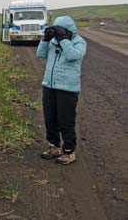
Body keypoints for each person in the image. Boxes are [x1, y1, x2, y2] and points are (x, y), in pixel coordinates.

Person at [36, 16, 87, 165]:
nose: (57, 33)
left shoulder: (79, 42)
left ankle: (69, 151)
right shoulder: (53, 41)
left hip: (67, 88)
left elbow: (73, 56)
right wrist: (45, 39)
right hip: (49, 85)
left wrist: (64, 39)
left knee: (66, 120)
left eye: (60, 30)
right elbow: (40, 54)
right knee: (50, 118)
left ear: (69, 31)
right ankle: (54, 145)